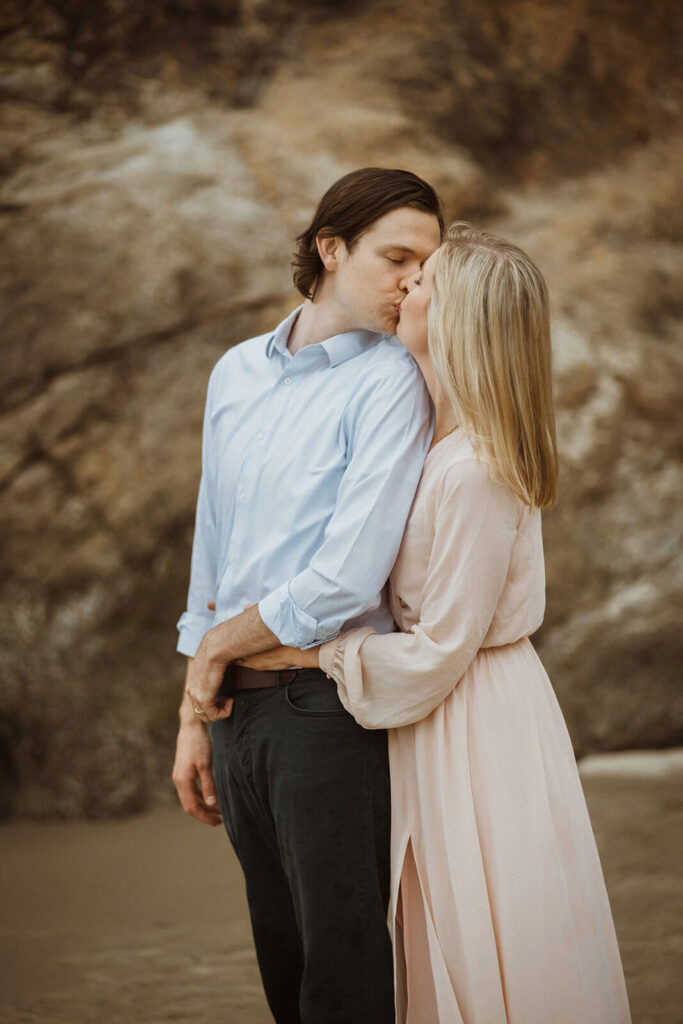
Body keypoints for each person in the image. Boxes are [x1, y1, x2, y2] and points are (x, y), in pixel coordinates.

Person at [240, 223, 632, 1023]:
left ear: (454, 314)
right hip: (436, 713)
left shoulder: (478, 467)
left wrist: (321, 657)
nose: (405, 287)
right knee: (441, 919)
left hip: (475, 714)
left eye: (423, 281)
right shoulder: (429, 441)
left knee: (489, 924)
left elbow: (445, 645)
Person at [172, 167, 444, 1023]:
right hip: (235, 717)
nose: (410, 280)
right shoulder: (234, 373)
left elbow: (343, 581)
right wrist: (193, 713)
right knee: (283, 968)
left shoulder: (392, 380)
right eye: (395, 256)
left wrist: (215, 651)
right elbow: (212, 547)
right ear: (330, 248)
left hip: (327, 712)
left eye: (424, 266)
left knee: (344, 970)